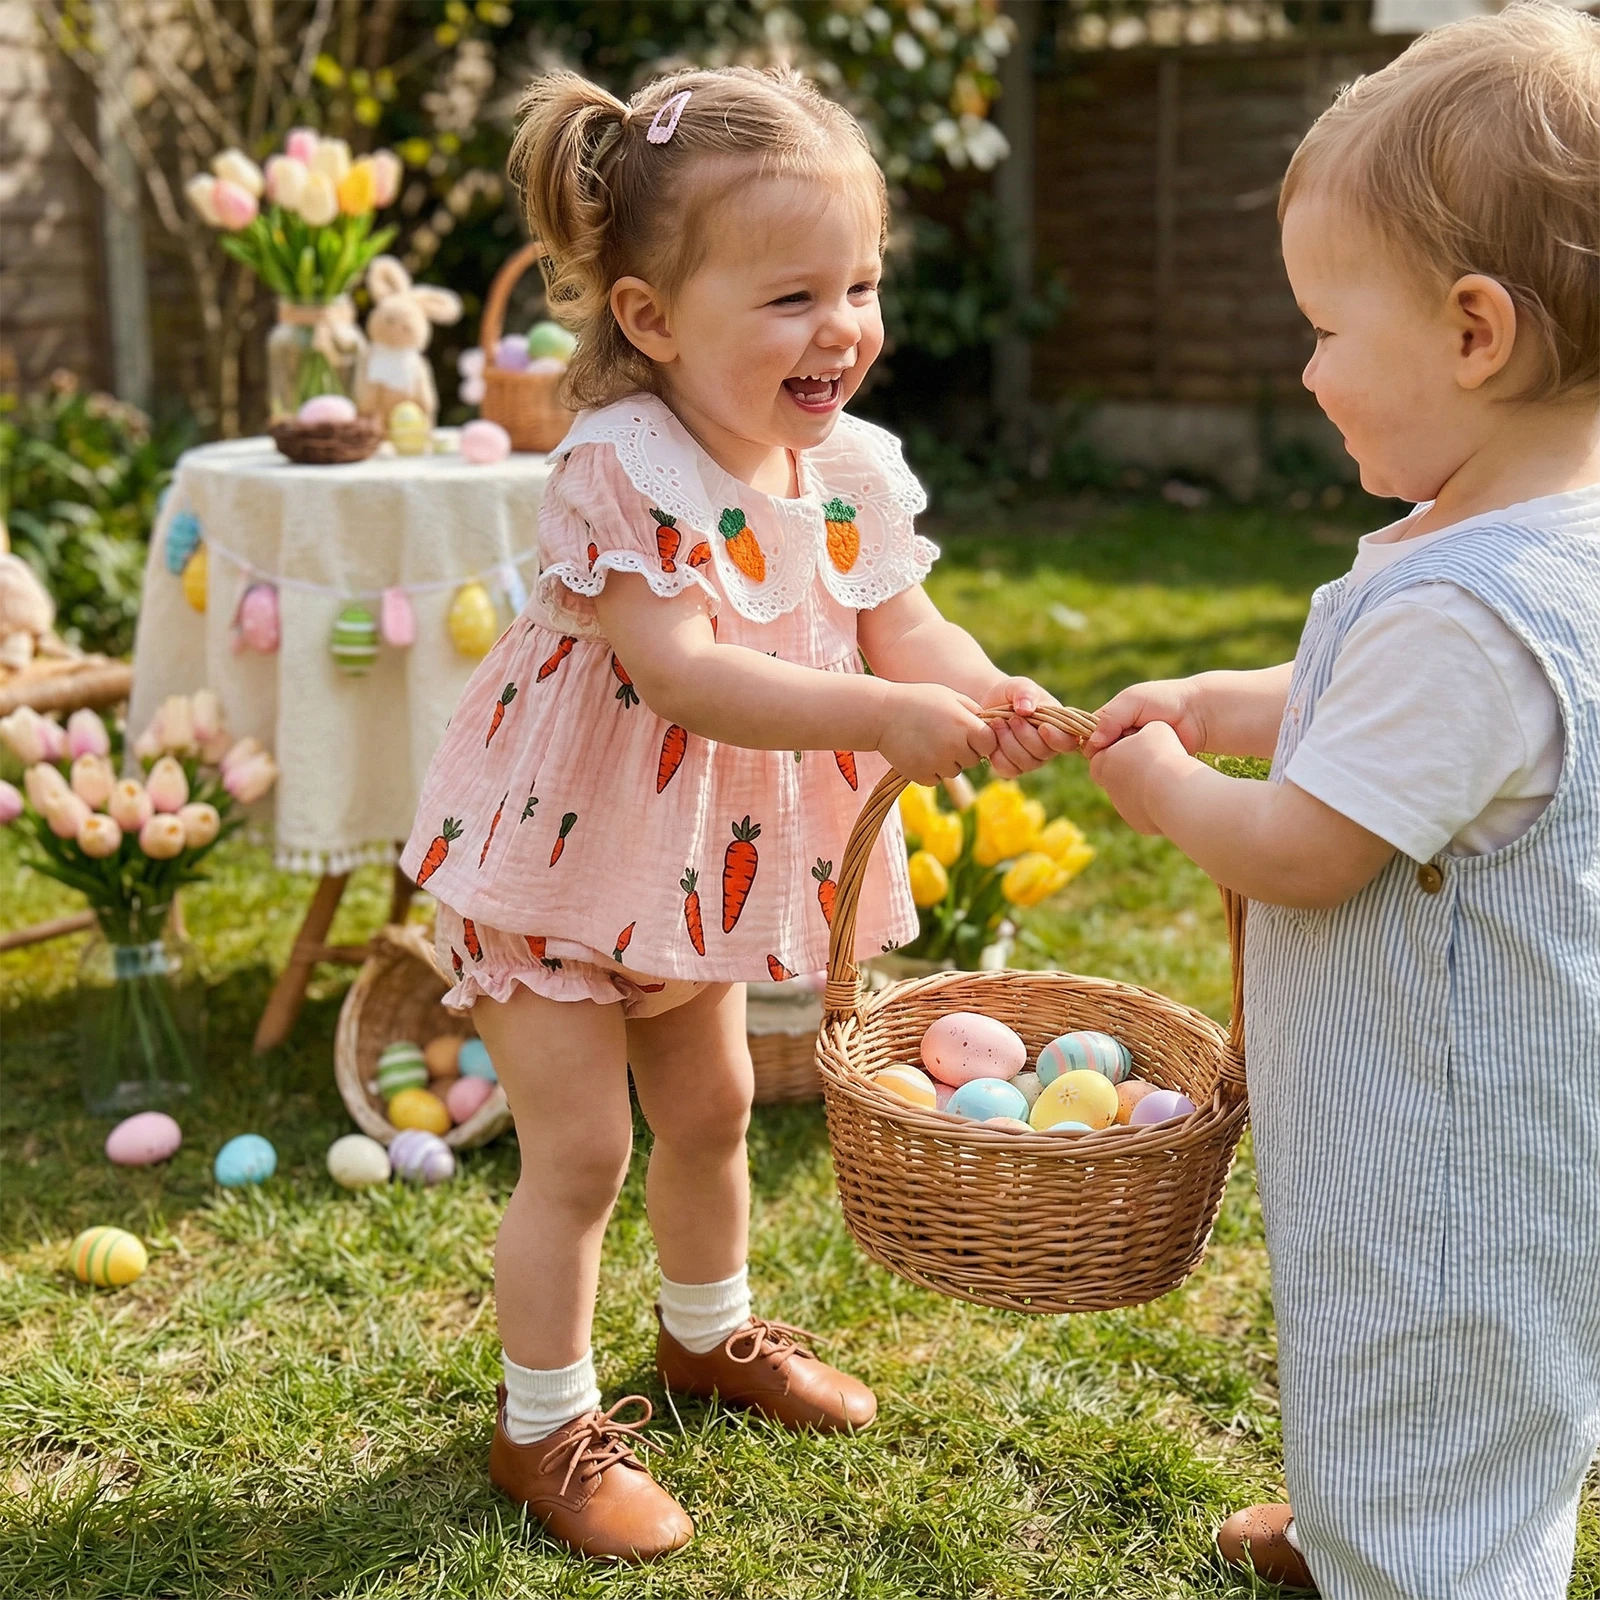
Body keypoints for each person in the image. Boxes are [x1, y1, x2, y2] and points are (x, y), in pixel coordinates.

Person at [401, 64, 1074, 1563]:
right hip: (559, 857)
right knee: (580, 1156)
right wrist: (888, 721)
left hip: (686, 872)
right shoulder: (621, 465)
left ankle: (710, 1336)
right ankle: (544, 1426)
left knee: (708, 1110)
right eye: (790, 298)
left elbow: (911, 632)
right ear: (650, 320)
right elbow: (682, 673)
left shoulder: (847, 469)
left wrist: (984, 685)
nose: (840, 326)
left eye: (860, 284)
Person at [1085, 3, 1600, 1593]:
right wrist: (1226, 701)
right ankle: (1368, 1525)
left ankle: (1421, 1564)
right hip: (1499, 1117)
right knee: (1456, 1379)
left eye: (1323, 326)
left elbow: (1309, 849)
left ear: (1470, 332)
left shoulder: (1468, 610)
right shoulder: (1539, 543)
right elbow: (1377, 723)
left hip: (1445, 1145)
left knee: (1427, 1353)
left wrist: (1167, 782)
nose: (1304, 369)